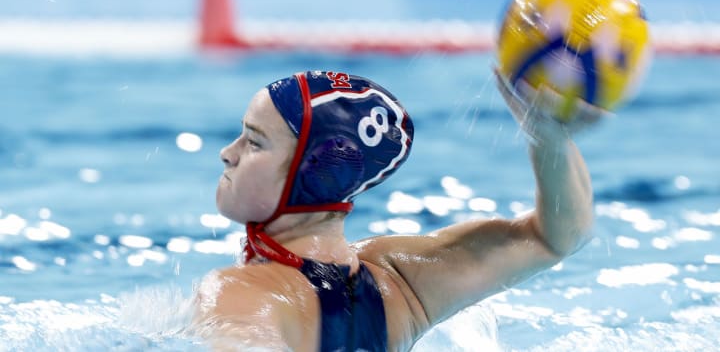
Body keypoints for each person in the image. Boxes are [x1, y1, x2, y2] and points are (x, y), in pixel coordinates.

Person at [192, 69, 595, 351]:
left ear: (319, 173)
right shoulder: (399, 284)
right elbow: (557, 237)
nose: (228, 154)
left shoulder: (237, 294)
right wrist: (550, 142)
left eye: (254, 142)